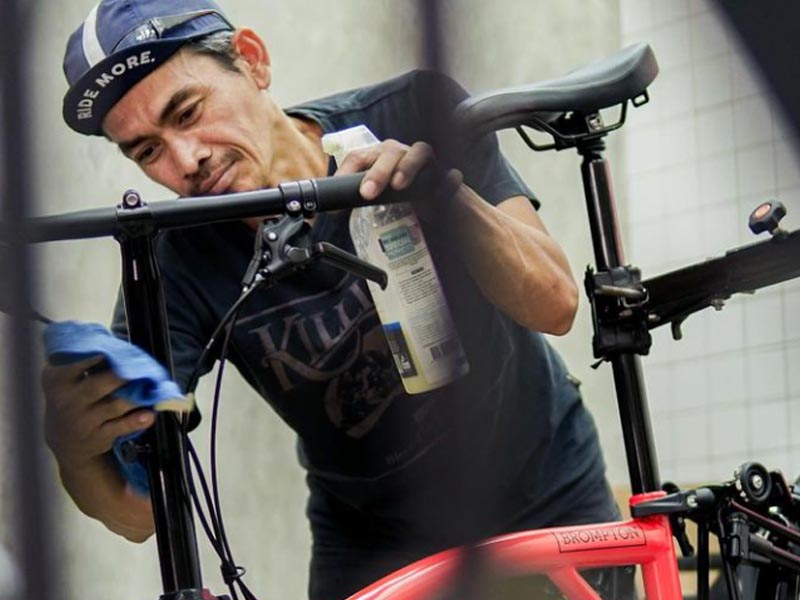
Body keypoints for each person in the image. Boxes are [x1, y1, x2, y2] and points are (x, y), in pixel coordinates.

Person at [43, 1, 630, 598]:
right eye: (147, 151)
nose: (186, 160)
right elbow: (142, 516)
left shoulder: (412, 112)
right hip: (371, 536)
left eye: (189, 111)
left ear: (252, 60)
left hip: (536, 483)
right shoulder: (175, 260)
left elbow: (555, 305)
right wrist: (76, 451)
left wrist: (446, 203)